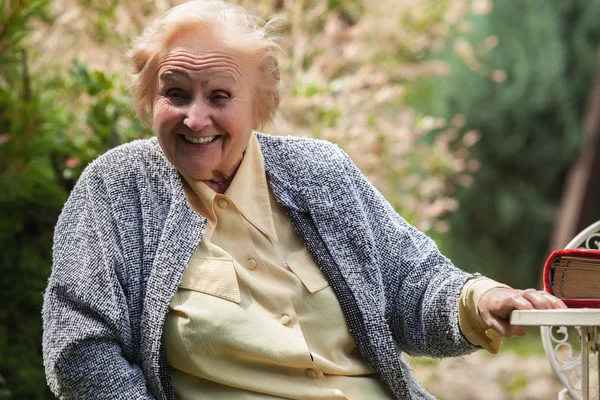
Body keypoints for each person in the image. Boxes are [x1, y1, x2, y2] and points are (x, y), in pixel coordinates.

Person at [42, 1, 566, 399]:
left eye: (219, 96)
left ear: (258, 104)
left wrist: (481, 300)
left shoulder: (318, 170)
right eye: (175, 93)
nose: (194, 118)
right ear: (149, 99)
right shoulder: (115, 190)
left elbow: (411, 282)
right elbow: (79, 347)